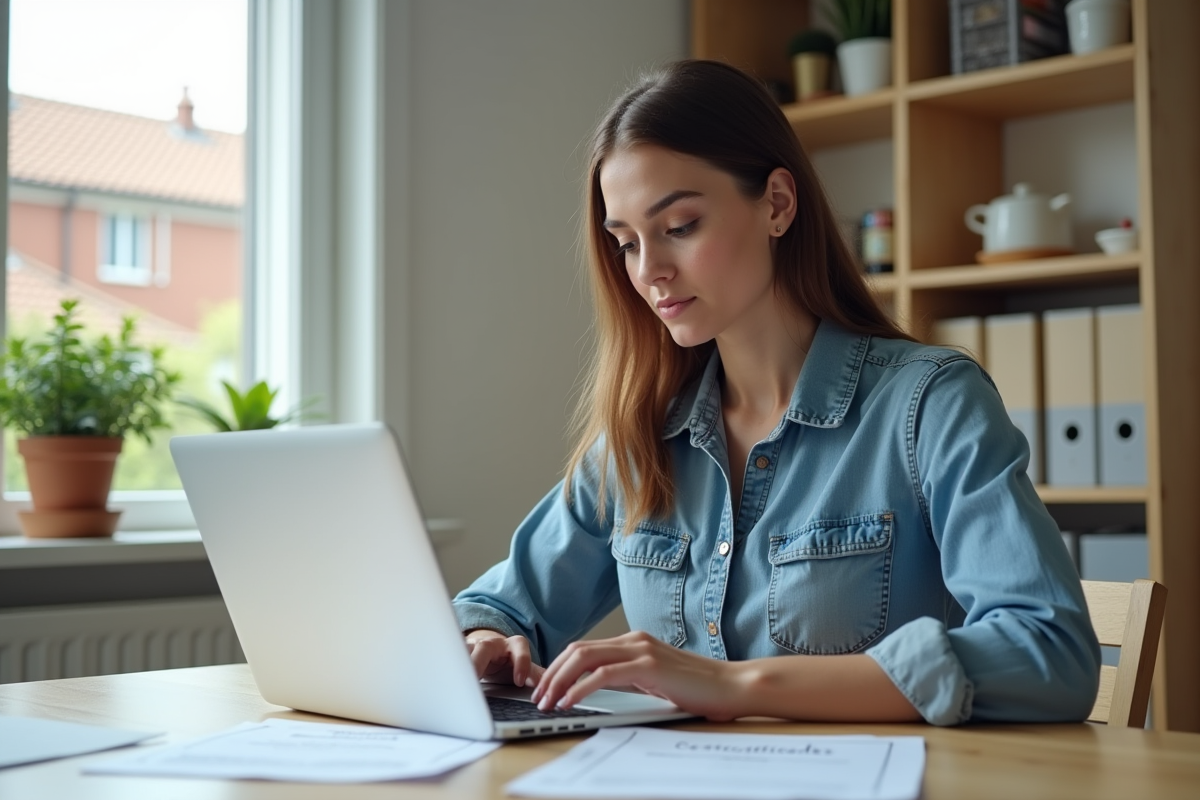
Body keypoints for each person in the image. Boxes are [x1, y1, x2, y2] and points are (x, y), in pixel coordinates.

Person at [452, 59, 1100, 726]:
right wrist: (486, 644)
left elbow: (1050, 653)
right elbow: (494, 608)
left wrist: (736, 685)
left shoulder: (930, 405)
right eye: (626, 243)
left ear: (778, 205)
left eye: (679, 227)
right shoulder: (641, 436)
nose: (650, 272)